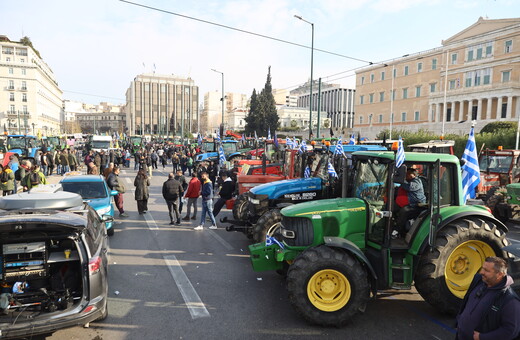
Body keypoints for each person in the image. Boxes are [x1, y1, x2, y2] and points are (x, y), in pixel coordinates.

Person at [456, 256, 520, 340]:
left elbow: (511, 331)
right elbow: (466, 303)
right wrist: (459, 321)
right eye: (483, 268)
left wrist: (482, 337)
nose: (482, 272)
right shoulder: (479, 281)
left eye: (486, 270)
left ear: (500, 274)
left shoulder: (510, 301)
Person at [395, 168, 426, 233]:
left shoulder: (417, 181)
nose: (406, 176)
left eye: (407, 174)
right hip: (412, 202)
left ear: (413, 175)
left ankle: (398, 230)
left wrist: (401, 181)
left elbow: (409, 187)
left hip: (417, 204)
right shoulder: (411, 181)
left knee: (404, 211)